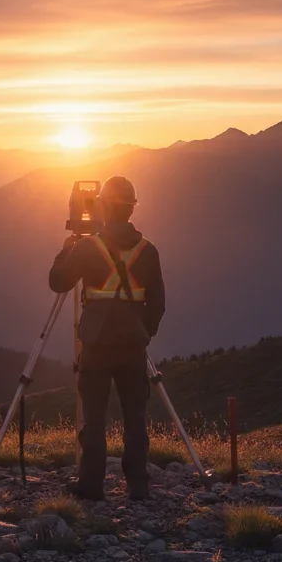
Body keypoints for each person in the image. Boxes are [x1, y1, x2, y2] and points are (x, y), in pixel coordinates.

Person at [48, 176, 165, 501]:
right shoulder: (148, 251)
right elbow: (158, 303)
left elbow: (58, 282)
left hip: (97, 343)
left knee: (95, 416)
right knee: (135, 416)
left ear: (103, 206)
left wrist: (64, 251)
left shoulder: (87, 247)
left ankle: (91, 484)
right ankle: (138, 486)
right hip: (132, 345)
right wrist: (144, 332)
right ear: (131, 208)